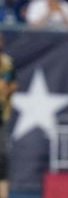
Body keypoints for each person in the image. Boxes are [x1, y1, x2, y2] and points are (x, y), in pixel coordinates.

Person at [0, 35, 17, 198]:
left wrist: (7, 89)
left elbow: (12, 84)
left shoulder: (6, 62)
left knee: (2, 157)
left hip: (1, 115)